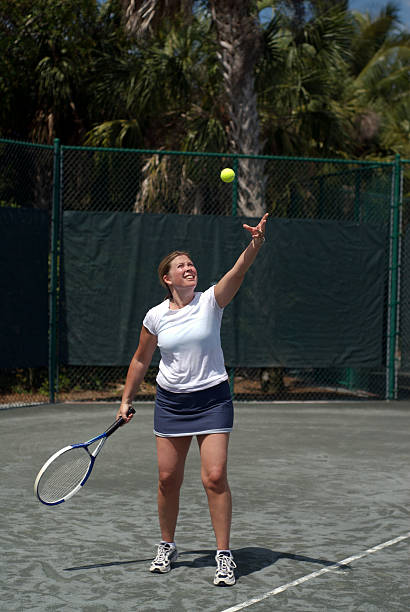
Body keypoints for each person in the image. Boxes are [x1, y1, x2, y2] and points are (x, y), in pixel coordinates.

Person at [117, 212, 268, 587]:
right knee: (168, 479)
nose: (190, 268)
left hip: (213, 398)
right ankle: (167, 545)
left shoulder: (211, 302)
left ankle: (223, 555)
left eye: (192, 264)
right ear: (167, 278)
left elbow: (238, 272)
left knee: (214, 477)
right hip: (171, 403)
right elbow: (140, 359)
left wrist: (255, 244)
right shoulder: (155, 317)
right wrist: (125, 399)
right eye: (181, 266)